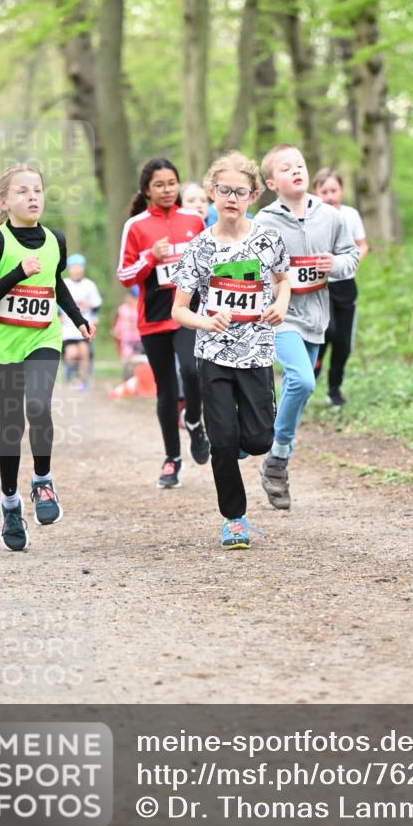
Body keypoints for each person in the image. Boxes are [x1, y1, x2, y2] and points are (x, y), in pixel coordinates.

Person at [0, 164, 95, 551]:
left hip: (44, 338)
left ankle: (43, 481)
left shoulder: (56, 240)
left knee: (38, 406)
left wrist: (78, 318)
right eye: (22, 191)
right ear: (4, 202)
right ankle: (10, 504)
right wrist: (16, 274)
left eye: (37, 190)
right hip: (3, 346)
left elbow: (54, 283)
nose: (32, 197)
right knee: (11, 427)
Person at [172, 151, 290, 548]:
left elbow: (283, 280)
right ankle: (234, 519)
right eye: (224, 190)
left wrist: (280, 305)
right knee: (221, 442)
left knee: (259, 441)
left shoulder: (268, 239)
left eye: (240, 192)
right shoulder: (198, 248)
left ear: (253, 196)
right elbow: (178, 309)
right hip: (213, 354)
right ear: (212, 192)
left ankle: (239, 437)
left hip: (256, 353)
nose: (232, 198)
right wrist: (205, 321)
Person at [253, 144, 359, 510]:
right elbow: (251, 268)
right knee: (302, 380)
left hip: (317, 317)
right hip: (280, 317)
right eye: (286, 168)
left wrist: (335, 265)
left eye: (299, 164)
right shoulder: (264, 222)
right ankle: (279, 456)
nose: (296, 171)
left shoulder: (329, 216)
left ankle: (275, 459)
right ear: (271, 182)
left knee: (298, 385)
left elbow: (351, 256)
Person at [117, 157, 210, 488]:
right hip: (154, 318)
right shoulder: (136, 226)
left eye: (172, 183)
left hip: (188, 313)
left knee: (192, 370)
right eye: (159, 185)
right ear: (147, 190)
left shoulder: (194, 220)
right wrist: (150, 257)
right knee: (166, 390)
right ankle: (172, 459)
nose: (167, 189)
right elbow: (125, 274)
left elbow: (209, 265)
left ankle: (194, 420)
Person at [311, 167, 368, 409]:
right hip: (318, 285)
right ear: (315, 193)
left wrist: (349, 263)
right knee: (326, 333)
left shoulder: (351, 215)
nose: (330, 196)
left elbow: (362, 245)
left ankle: (334, 390)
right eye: (324, 191)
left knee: (343, 343)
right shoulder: (310, 216)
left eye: (333, 190)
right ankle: (309, 378)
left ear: (342, 191)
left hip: (345, 284)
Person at [60, 253, 102, 390]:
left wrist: (95, 317)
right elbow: (57, 304)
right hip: (68, 327)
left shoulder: (89, 285)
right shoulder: (64, 284)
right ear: (69, 268)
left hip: (84, 325)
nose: (77, 270)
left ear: (83, 268)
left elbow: (96, 305)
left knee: (84, 352)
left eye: (79, 267)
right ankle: (70, 374)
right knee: (72, 353)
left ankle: (81, 379)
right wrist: (58, 316)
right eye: (74, 267)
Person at [112, 284, 143, 379]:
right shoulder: (122, 309)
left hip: (138, 338)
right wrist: (117, 331)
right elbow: (119, 321)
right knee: (126, 358)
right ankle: (126, 378)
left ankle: (137, 377)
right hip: (126, 338)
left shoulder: (138, 307)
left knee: (137, 359)